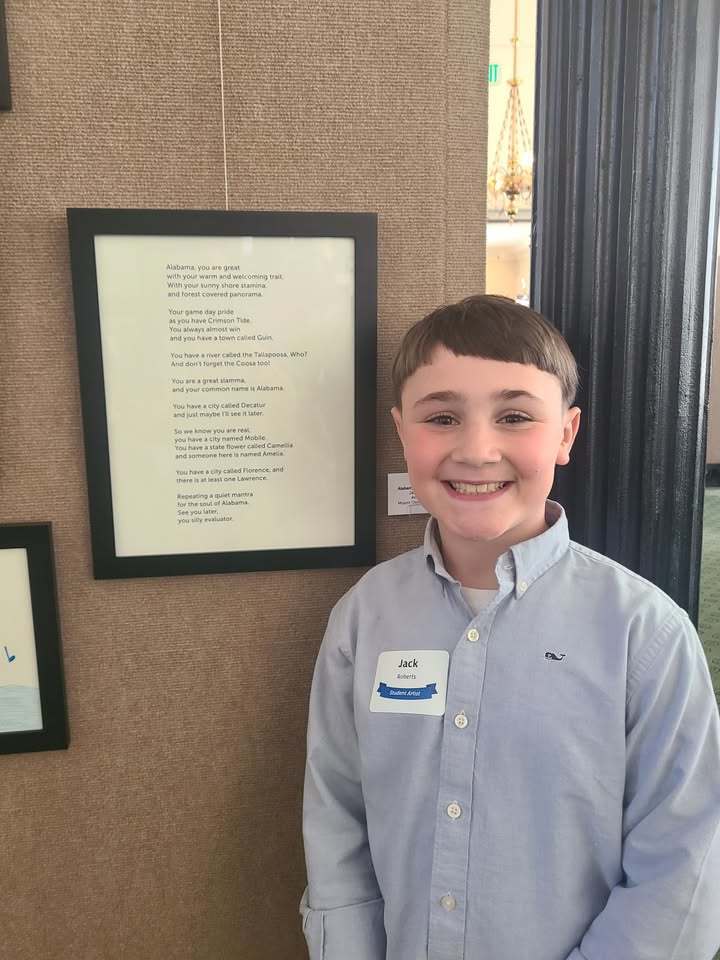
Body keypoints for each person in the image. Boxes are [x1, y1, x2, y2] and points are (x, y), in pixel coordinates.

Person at [300, 294, 720, 960]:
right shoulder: (364, 617)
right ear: (403, 432)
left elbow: (682, 869)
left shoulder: (646, 635)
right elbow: (336, 823)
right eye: (441, 417)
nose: (477, 449)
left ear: (565, 434)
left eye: (515, 416)